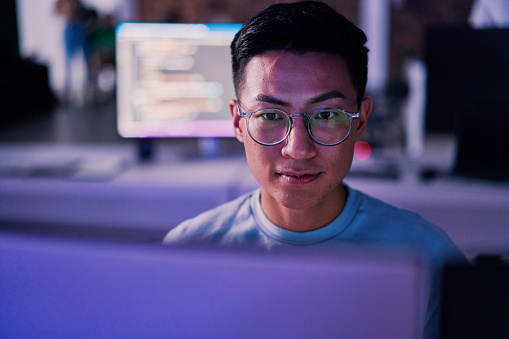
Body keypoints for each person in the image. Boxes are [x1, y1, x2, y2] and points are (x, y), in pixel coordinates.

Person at [163, 1, 466, 337]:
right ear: (237, 121)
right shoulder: (188, 253)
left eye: (325, 115)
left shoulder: (428, 255)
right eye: (269, 116)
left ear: (361, 120)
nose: (298, 149)